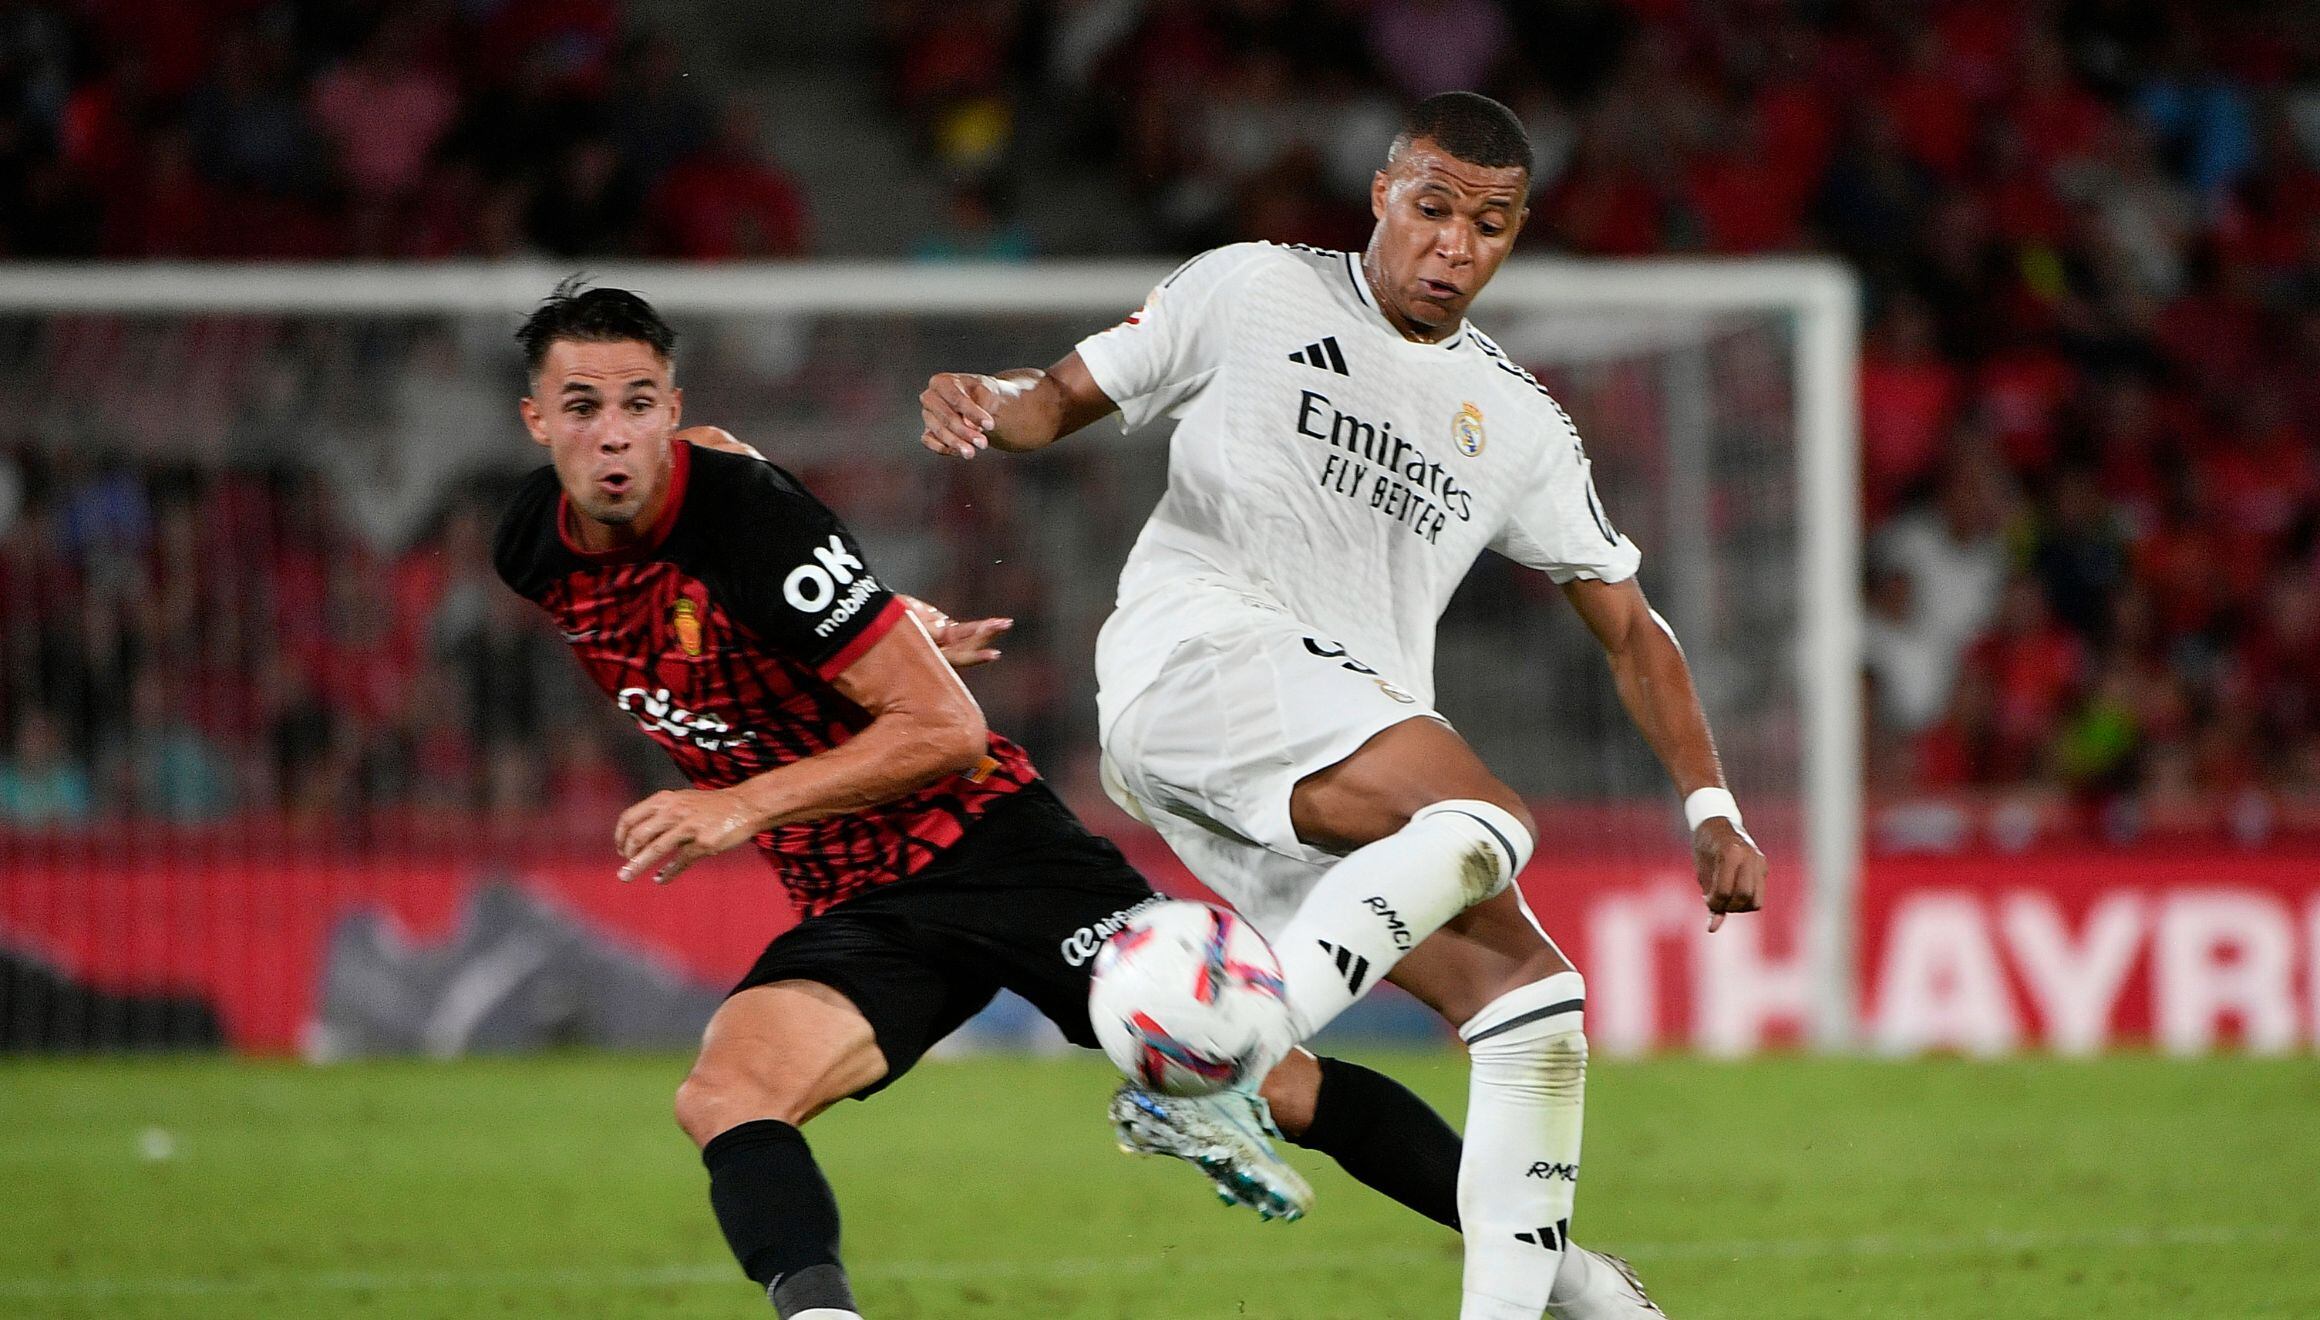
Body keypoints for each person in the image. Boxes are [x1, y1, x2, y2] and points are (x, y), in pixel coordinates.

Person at [920, 91, 1766, 1320]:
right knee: (1486, 819)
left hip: (1318, 757)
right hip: (1200, 657)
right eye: (1431, 210)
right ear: (1381, 193)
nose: (1452, 248)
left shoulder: (1519, 421)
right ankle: (1210, 1070)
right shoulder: (1252, 289)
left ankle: (1555, 1295)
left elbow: (1630, 626)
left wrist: (1710, 802)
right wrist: (985, 399)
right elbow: (1055, 398)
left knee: (1532, 1004)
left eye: (1489, 225)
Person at [493, 280, 1483, 1318]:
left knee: (1276, 1083)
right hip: (855, 900)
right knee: (726, 1096)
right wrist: (870, 618)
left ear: (669, 402)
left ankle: (1547, 1259)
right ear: (535, 421)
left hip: (991, 847)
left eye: (640, 403)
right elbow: (720, 446)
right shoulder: (532, 546)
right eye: (582, 406)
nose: (615, 436)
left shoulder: (750, 528)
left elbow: (944, 730)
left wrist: (740, 802)